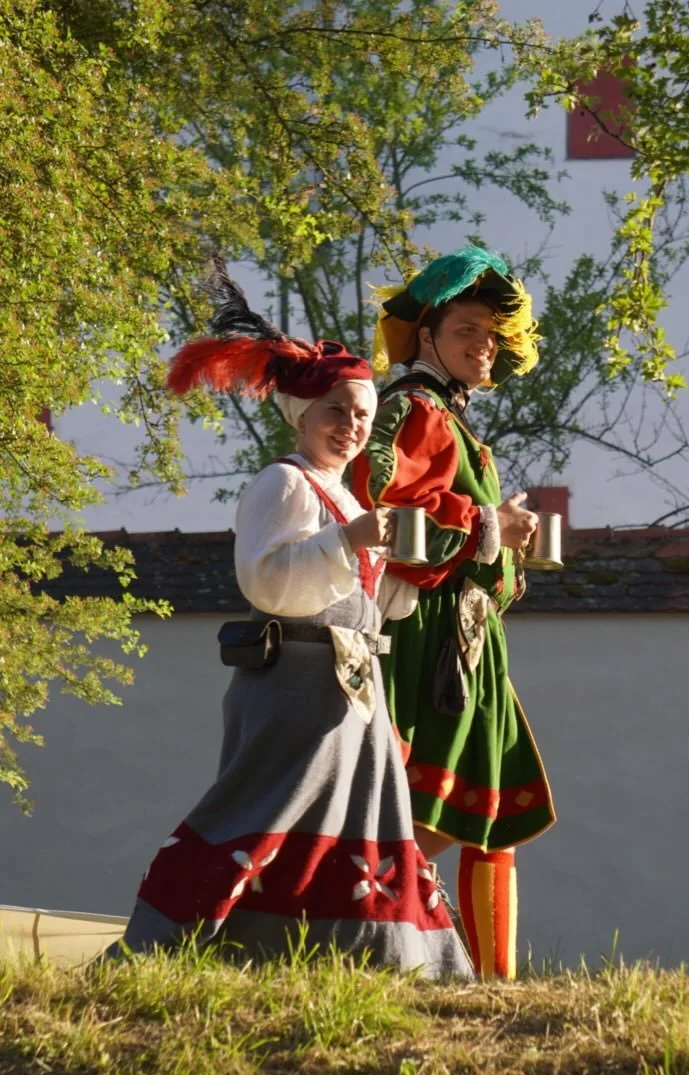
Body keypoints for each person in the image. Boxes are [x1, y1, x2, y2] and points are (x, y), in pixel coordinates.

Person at [107, 263, 473, 978]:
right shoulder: (284, 482)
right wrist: (351, 542)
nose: (351, 426)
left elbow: (375, 601)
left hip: (354, 693)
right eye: (337, 411)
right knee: (262, 813)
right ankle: (161, 948)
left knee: (361, 825)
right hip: (297, 687)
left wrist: (423, 564)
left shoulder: (343, 496)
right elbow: (269, 580)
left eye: (361, 416)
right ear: (300, 414)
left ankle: (390, 961)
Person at [353, 246, 556, 979]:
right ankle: (350, 922)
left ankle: (494, 987)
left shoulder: (459, 423)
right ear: (427, 337)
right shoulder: (412, 408)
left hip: (471, 641)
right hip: (427, 641)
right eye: (468, 330)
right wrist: (488, 525)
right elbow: (387, 514)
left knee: (492, 818)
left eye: (492, 337)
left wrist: (505, 540)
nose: (483, 346)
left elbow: (473, 546)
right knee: (427, 815)